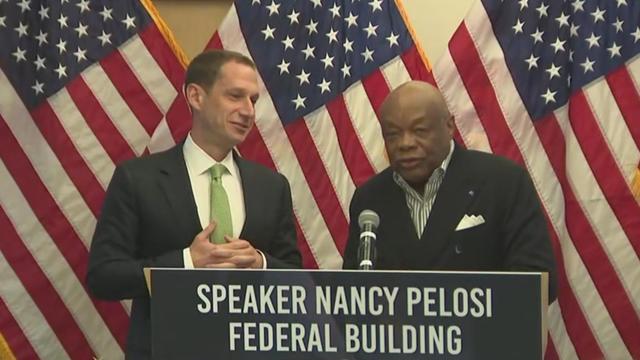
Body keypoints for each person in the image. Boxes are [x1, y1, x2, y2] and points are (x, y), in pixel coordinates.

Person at [87, 50, 302, 359]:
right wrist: (185, 262)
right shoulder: (138, 179)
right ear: (195, 96)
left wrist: (260, 263)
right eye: (235, 96)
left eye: (253, 100)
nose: (248, 111)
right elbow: (104, 276)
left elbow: (295, 277)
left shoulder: (271, 186)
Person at [342, 81, 557, 301]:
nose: (405, 144)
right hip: (397, 335)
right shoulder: (369, 199)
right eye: (392, 135)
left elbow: (538, 282)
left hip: (481, 333)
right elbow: (351, 296)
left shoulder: (504, 182)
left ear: (449, 126)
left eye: (419, 131)